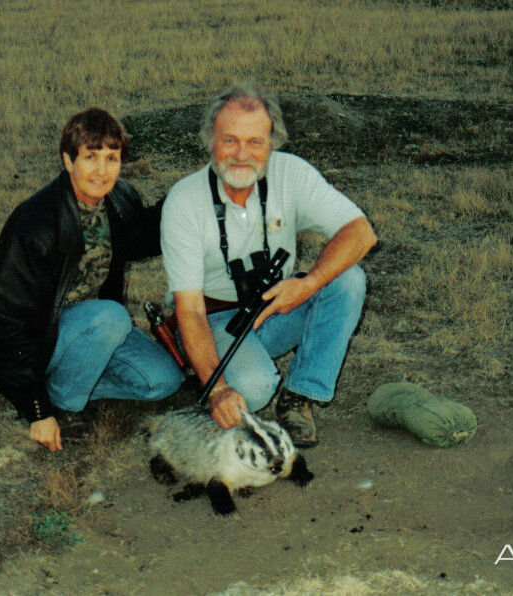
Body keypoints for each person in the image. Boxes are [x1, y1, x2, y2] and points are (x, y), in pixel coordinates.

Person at [160, 83, 376, 446]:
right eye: (229, 140)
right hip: (214, 318)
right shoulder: (184, 201)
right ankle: (212, 371)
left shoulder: (291, 173)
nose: (242, 154)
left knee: (348, 280)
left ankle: (300, 396)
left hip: (274, 307)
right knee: (254, 391)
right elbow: (191, 311)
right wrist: (219, 392)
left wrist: (307, 285)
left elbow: (361, 232)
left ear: (271, 143)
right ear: (210, 141)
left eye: (255, 142)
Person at [0, 108, 184, 452]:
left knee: (164, 381)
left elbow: (143, 238)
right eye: (90, 157)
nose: (102, 171)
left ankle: (69, 379)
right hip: (42, 341)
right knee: (112, 316)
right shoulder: (36, 223)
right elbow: (2, 321)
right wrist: (37, 410)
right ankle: (62, 402)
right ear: (68, 161)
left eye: (112, 158)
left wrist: (186, 196)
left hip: (95, 329)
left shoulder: (118, 199)